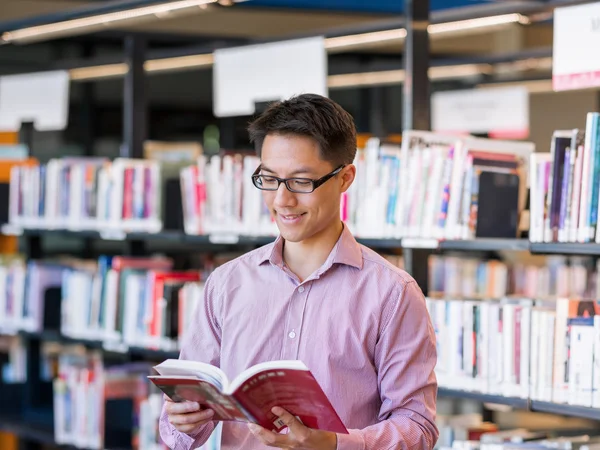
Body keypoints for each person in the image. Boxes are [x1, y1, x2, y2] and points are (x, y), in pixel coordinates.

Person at [159, 93, 438, 450]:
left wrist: (335, 444)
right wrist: (182, 420)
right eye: (270, 179)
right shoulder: (227, 283)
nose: (282, 200)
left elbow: (417, 428)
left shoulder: (392, 293)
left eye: (301, 182)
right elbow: (179, 430)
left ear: (345, 178)